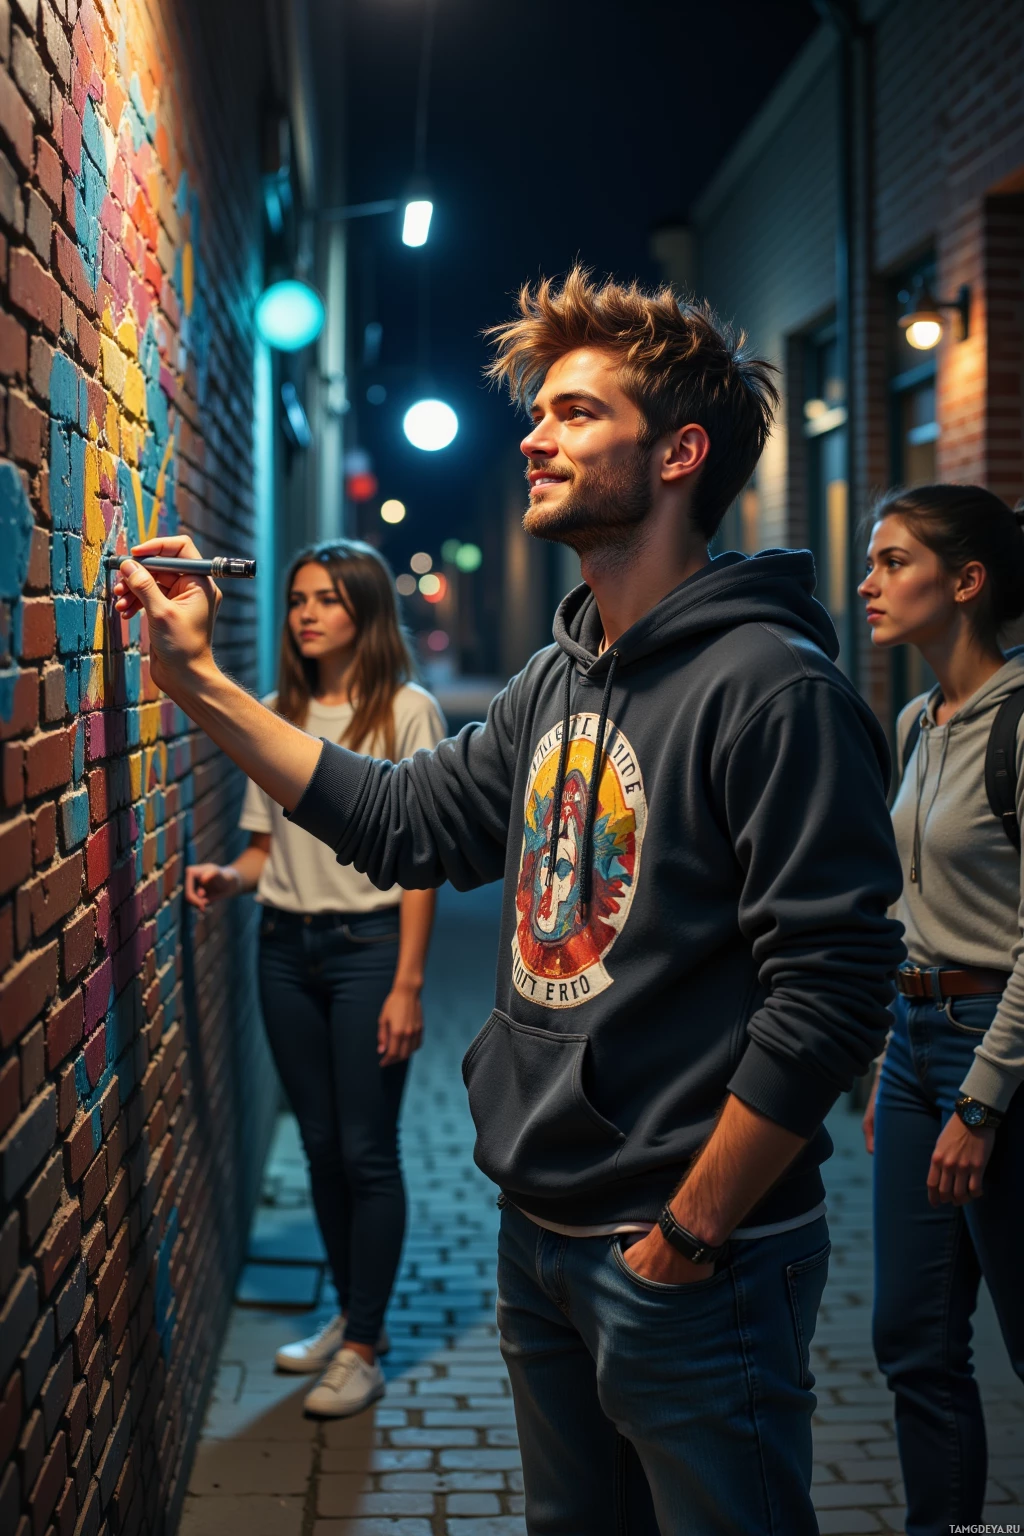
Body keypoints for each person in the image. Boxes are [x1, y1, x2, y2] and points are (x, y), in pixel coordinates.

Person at [113, 268, 904, 1535]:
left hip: (689, 1255)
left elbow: (834, 988)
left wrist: (689, 1235)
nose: (533, 434)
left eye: (578, 413)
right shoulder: (553, 675)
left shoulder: (774, 688)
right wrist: (197, 681)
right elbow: (400, 819)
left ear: (679, 453)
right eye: (539, 411)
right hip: (539, 1230)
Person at [183, 540, 445, 1419]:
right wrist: (230, 877)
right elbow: (266, 850)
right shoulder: (275, 713)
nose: (305, 613)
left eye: (326, 598)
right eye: (297, 598)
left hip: (370, 952)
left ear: (364, 612)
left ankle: (365, 1346)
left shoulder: (407, 712)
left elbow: (421, 865)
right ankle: (348, 1314)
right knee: (322, 1146)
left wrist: (409, 982)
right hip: (285, 953)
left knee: (368, 1149)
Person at [858, 486, 1024, 1536]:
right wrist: (889, 1061)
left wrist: (980, 1102)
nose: (866, 583)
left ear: (964, 584)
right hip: (914, 1047)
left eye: (891, 563)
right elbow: (905, 914)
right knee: (910, 1341)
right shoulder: (918, 720)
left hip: (997, 1053)